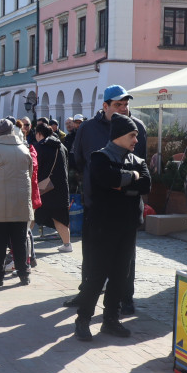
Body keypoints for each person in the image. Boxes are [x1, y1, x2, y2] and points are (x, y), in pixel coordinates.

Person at [67, 85, 147, 314]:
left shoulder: (138, 128)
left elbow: (142, 170)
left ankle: (125, 298)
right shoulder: (89, 128)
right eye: (117, 104)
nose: (123, 108)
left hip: (127, 205)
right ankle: (86, 294)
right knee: (91, 254)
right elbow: (80, 161)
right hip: (96, 203)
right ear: (105, 106)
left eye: (125, 104)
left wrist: (122, 180)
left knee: (126, 257)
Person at [74, 114, 151, 341]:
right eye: (132, 135)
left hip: (127, 227)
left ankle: (111, 320)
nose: (136, 140)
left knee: (120, 275)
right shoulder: (99, 157)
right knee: (97, 275)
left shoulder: (138, 161)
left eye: (136, 135)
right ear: (119, 136)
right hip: (103, 226)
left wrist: (123, 182)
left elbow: (145, 184)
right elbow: (106, 179)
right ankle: (83, 319)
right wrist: (130, 180)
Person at [0, 119, 33, 287]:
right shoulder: (24, 149)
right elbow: (29, 174)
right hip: (21, 201)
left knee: (0, 242)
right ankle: (24, 275)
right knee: (20, 240)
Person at [32, 122, 73, 251]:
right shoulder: (62, 146)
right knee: (60, 217)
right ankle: (67, 244)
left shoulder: (40, 147)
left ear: (39, 134)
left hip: (44, 189)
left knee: (32, 215)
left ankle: (23, 242)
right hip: (61, 188)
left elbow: (34, 168)